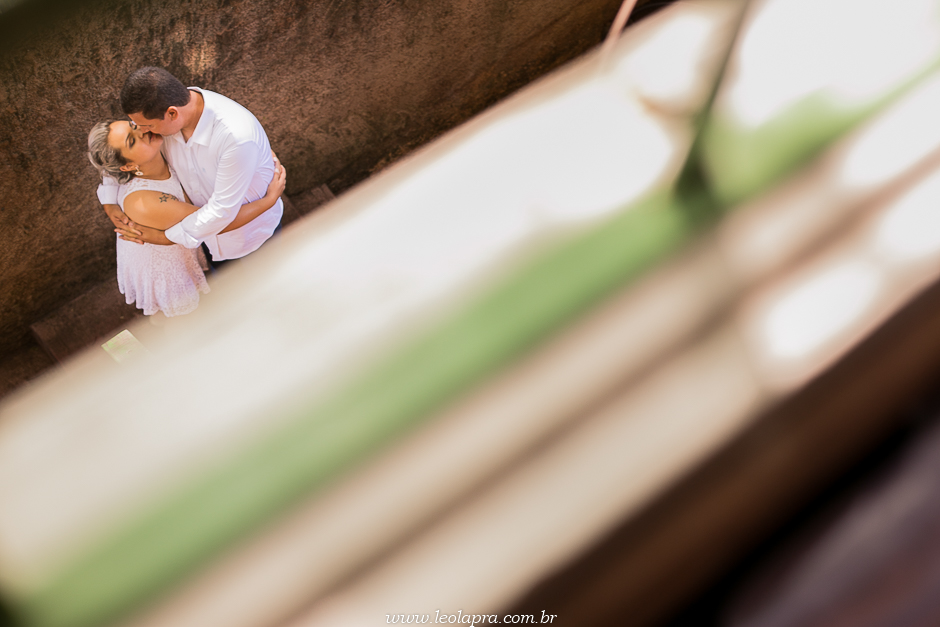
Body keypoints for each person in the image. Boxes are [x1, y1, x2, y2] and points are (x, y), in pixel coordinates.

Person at [88, 120, 286, 317]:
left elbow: (110, 170)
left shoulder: (155, 144)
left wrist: (109, 203)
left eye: (133, 126)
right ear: (129, 165)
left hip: (188, 237)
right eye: (131, 141)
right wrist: (268, 200)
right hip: (166, 266)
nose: (141, 131)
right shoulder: (145, 201)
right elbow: (214, 224)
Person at [98, 67, 283, 267]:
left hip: (247, 242)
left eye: (148, 126)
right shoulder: (162, 106)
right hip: (204, 239)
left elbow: (221, 213)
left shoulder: (235, 140)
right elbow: (118, 153)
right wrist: (109, 201)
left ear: (172, 114)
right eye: (136, 126)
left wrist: (165, 238)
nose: (142, 131)